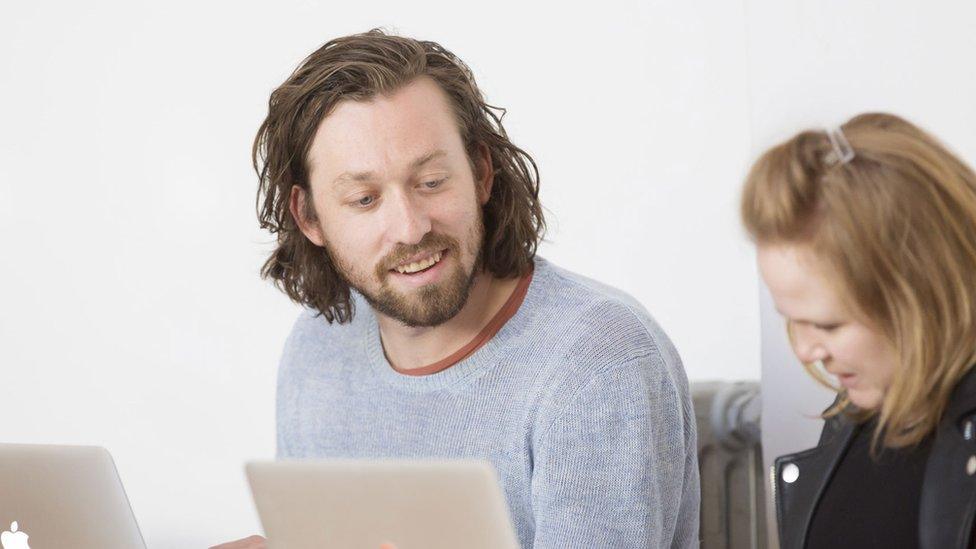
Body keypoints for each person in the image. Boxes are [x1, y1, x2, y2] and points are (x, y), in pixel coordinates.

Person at [212, 30, 698, 548]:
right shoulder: (316, 350)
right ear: (308, 216)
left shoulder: (597, 363)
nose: (410, 227)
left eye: (431, 181)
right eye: (364, 198)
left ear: (481, 173)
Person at [741, 112, 976, 549]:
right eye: (792, 319)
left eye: (827, 324)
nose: (807, 350)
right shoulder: (853, 423)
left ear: (922, 289)